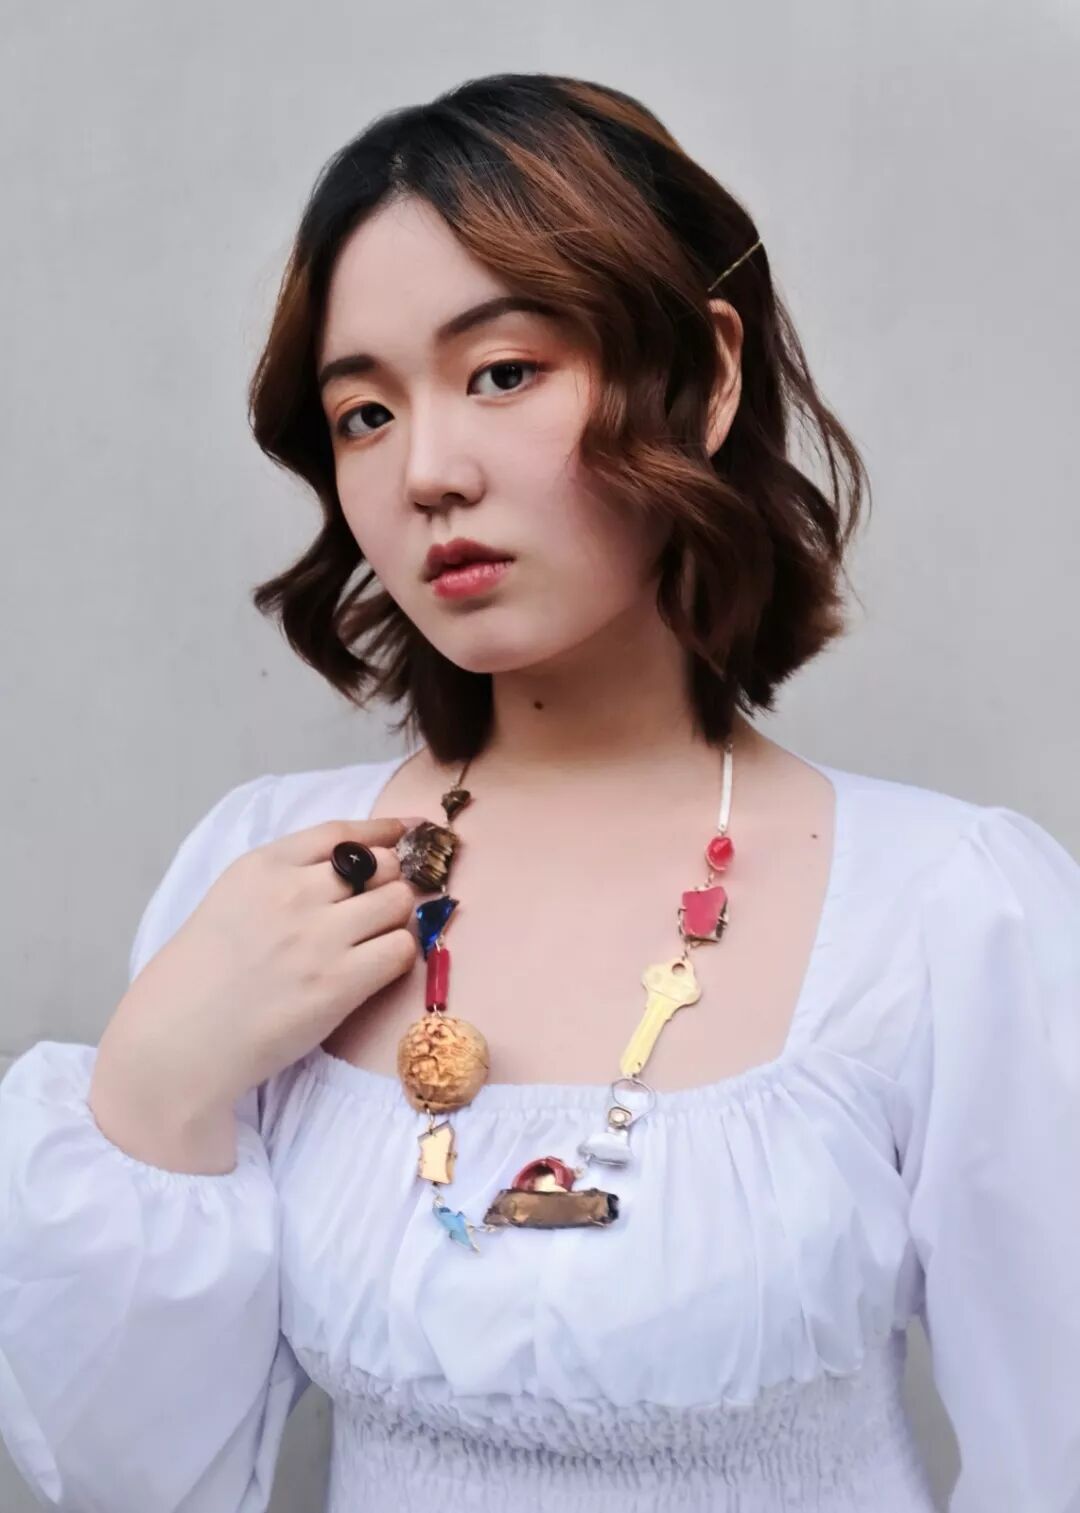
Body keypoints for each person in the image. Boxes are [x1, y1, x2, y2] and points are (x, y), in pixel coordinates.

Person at [1, 70, 1078, 1513]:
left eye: (503, 372)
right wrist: (155, 1084)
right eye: (364, 413)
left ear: (705, 374)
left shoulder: (953, 911)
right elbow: (136, 1474)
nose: (428, 472)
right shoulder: (269, 872)